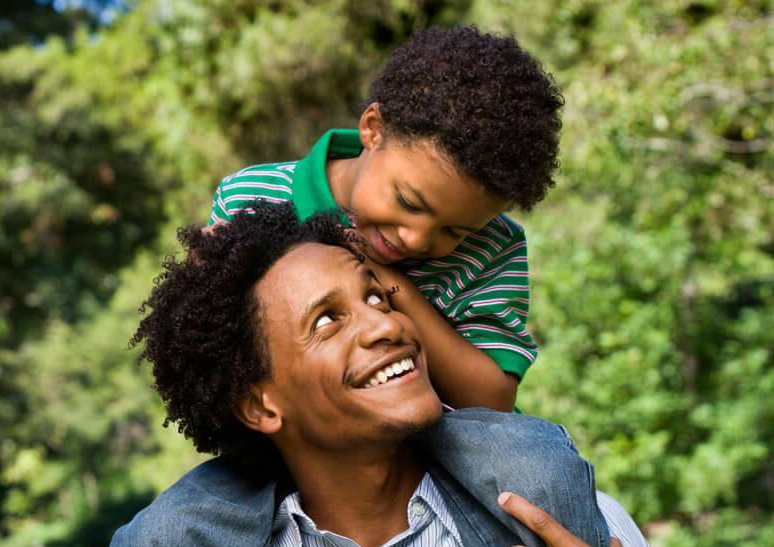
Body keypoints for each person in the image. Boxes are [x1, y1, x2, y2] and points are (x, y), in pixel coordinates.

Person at [106, 204, 672, 547]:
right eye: (327, 320)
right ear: (261, 406)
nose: (386, 324)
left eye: (377, 296)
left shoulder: (574, 535)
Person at [208, 25, 563, 412]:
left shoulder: (492, 246)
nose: (415, 240)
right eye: (409, 202)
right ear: (373, 130)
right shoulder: (253, 196)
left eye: (454, 231)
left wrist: (391, 284)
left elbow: (491, 402)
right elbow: (213, 354)